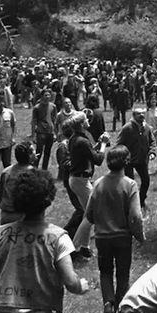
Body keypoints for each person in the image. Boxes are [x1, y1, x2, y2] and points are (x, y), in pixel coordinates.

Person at [0, 169, 91, 313]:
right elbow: (71, 282)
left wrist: (1, 292)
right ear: (48, 199)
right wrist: (81, 285)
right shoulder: (57, 238)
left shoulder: (0, 235)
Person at [86, 145, 145, 313]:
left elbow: (88, 214)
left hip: (102, 238)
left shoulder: (98, 184)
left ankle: (108, 306)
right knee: (122, 274)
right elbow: (135, 216)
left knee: (105, 273)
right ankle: (120, 311)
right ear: (126, 162)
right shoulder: (130, 184)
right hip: (122, 238)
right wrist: (140, 235)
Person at [64, 112, 106, 261]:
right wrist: (103, 144)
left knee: (86, 214)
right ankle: (72, 250)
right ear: (82, 124)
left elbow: (87, 153)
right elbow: (98, 159)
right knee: (90, 216)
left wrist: (96, 144)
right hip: (81, 181)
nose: (89, 121)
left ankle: (85, 247)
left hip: (76, 180)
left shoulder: (74, 139)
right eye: (86, 119)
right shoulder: (82, 141)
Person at [116, 106, 152, 213]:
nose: (141, 115)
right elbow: (119, 143)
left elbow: (152, 141)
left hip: (142, 160)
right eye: (138, 113)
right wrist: (122, 155)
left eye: (143, 113)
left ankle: (141, 201)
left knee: (146, 181)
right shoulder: (127, 128)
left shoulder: (147, 128)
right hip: (129, 161)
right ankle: (130, 203)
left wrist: (152, 152)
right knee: (131, 184)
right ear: (133, 115)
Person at [0, 142, 37, 225]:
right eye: (33, 151)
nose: (35, 152)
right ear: (29, 156)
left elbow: (0, 195)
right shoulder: (33, 173)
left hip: (6, 215)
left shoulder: (6, 172)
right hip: (24, 217)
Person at [31, 89, 58, 170]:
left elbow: (55, 120)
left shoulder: (53, 107)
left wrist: (55, 133)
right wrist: (33, 135)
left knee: (47, 152)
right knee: (39, 152)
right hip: (41, 132)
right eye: (45, 95)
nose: (47, 97)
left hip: (50, 132)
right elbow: (34, 122)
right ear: (42, 96)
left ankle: (44, 170)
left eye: (49, 95)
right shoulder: (37, 108)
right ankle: (35, 169)